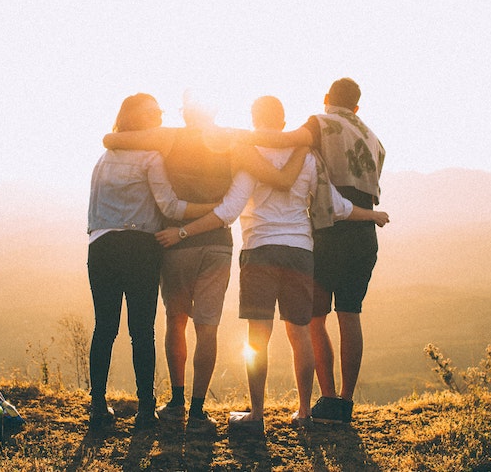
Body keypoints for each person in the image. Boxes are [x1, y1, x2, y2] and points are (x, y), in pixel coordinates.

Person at [155, 96, 389, 434]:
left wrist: (183, 231)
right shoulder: (307, 157)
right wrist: (372, 215)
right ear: (283, 122)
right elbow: (336, 206)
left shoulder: (250, 155)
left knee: (258, 337)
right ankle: (305, 412)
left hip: (259, 251)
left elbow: (229, 211)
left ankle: (257, 415)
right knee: (300, 334)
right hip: (300, 252)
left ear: (254, 118)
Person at [101, 92, 307, 435]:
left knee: (176, 320)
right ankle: (198, 412)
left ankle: (176, 402)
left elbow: (112, 139)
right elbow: (276, 176)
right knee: (207, 327)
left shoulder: (169, 137)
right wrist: (303, 144)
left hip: (175, 243)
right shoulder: (234, 141)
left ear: (185, 113)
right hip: (217, 244)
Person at [248, 78, 387, 424]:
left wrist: (237, 139)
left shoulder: (319, 123)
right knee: (350, 315)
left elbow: (283, 141)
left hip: (328, 231)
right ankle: (345, 402)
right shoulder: (374, 139)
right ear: (357, 107)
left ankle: (324, 399)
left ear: (327, 99)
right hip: (363, 232)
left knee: (315, 317)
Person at [86, 93, 218, 431]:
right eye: (153, 112)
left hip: (101, 246)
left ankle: (98, 407)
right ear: (137, 118)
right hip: (140, 248)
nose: (159, 115)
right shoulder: (151, 157)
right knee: (141, 331)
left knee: (105, 328)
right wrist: (212, 209)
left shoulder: (104, 158)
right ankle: (146, 410)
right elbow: (171, 208)